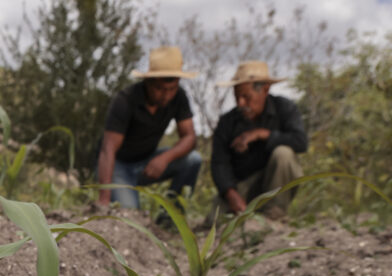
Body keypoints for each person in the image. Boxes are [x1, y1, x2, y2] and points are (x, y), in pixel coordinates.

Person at [96, 46, 202, 222]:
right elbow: (108, 150)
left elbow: (189, 137)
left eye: (172, 89)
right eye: (160, 88)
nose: (166, 95)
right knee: (130, 218)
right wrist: (104, 200)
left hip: (147, 162)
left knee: (193, 160)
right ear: (149, 82)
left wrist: (165, 158)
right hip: (118, 167)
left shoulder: (179, 97)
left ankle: (170, 220)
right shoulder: (126, 100)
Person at [209, 61, 307, 222]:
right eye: (237, 96)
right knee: (216, 219)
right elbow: (219, 163)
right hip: (244, 186)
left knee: (284, 153)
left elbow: (300, 142)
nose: (241, 103)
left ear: (265, 90)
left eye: (246, 97)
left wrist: (263, 134)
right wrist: (231, 193)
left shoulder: (284, 108)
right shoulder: (228, 122)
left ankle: (275, 212)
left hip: (276, 184)